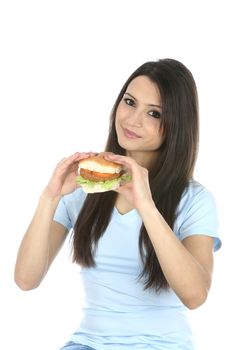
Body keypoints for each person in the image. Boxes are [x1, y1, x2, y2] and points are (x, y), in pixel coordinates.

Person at [14, 58, 221, 350]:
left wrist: (147, 206)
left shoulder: (195, 200)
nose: (132, 120)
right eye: (129, 102)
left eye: (154, 113)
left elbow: (195, 295)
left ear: (177, 124)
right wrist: (49, 198)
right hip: (87, 343)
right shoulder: (83, 187)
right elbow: (26, 279)